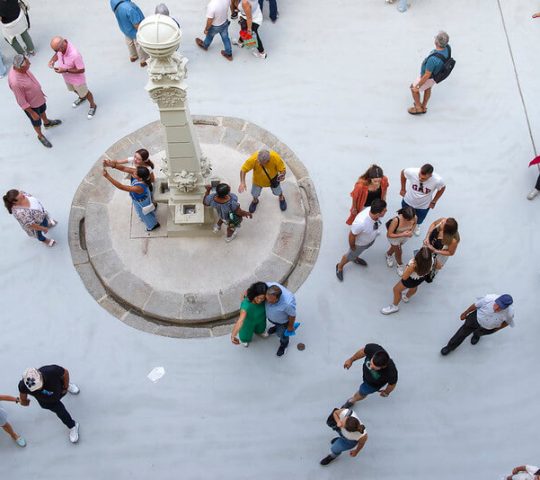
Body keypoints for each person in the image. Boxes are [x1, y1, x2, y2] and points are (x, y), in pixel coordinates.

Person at [8, 54, 62, 148]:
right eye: (27, 64)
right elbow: (21, 101)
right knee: (36, 121)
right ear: (20, 67)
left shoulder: (22, 69)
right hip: (32, 106)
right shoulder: (15, 82)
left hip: (38, 98)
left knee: (43, 110)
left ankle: (47, 123)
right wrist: (32, 113)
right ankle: (40, 136)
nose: (30, 64)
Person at [18, 366, 80, 444]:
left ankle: (69, 386)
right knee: (61, 412)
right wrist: (24, 401)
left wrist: (65, 387)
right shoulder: (23, 385)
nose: (39, 389)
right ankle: (72, 426)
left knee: (62, 382)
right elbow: (23, 395)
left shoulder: (51, 371)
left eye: (39, 385)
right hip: (48, 402)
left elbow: (65, 373)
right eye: (35, 388)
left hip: (60, 389)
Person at [440, 294, 514, 356]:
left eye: (500, 307)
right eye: (496, 304)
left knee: (480, 333)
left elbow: (507, 322)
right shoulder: (488, 299)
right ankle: (450, 346)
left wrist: (497, 328)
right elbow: (475, 305)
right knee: (462, 333)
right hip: (474, 320)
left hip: (488, 328)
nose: (496, 308)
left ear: (506, 307)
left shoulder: (509, 313)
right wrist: (465, 312)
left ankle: (476, 335)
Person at [336, 199, 387, 281]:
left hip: (368, 241)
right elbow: (352, 234)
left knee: (356, 254)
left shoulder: (373, 211)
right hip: (359, 244)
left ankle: (355, 257)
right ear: (378, 213)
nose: (386, 211)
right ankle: (340, 266)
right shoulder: (361, 223)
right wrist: (352, 247)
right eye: (384, 210)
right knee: (349, 255)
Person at [48, 36, 97, 119]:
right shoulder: (61, 49)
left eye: (56, 50)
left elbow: (81, 70)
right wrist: (52, 61)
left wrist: (65, 70)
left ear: (61, 46)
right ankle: (82, 97)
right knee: (73, 90)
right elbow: (57, 54)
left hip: (77, 80)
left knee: (85, 92)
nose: (56, 52)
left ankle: (93, 105)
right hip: (67, 77)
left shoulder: (75, 54)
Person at [102, 165, 160, 232]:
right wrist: (113, 165)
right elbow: (124, 168)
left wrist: (107, 176)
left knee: (145, 214)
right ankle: (152, 210)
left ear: (140, 178)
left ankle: (153, 225)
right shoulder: (140, 174)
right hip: (138, 199)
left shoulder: (139, 188)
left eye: (135, 173)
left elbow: (122, 187)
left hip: (142, 201)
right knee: (144, 211)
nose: (133, 172)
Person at [342, 343, 398, 408]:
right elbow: (363, 351)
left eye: (374, 368)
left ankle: (353, 400)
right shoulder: (373, 348)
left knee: (362, 392)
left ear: (383, 366)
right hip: (366, 375)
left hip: (372, 385)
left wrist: (386, 392)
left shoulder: (391, 372)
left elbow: (392, 384)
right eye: (370, 363)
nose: (370, 367)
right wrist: (351, 360)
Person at [381, 247, 433, 315]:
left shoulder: (413, 265)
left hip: (410, 280)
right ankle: (406, 297)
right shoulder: (432, 260)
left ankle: (394, 306)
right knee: (414, 286)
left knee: (396, 290)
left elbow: (404, 277)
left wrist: (407, 267)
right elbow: (438, 266)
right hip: (421, 278)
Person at [408, 31, 451, 114]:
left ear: (436, 42)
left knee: (413, 89)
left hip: (428, 78)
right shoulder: (447, 48)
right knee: (428, 88)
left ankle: (418, 107)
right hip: (435, 77)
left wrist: (417, 86)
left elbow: (426, 75)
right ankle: (423, 106)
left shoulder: (433, 60)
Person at [400, 164, 445, 236]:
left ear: (430, 175)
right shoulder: (412, 172)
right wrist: (403, 188)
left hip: (423, 206)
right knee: (405, 215)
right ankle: (404, 225)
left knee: (419, 219)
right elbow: (403, 173)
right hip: (408, 201)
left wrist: (434, 201)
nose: (420, 179)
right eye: (419, 176)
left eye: (423, 178)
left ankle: (416, 226)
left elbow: (442, 188)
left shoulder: (437, 180)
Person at [110, 0, 148, 67]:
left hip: (124, 27)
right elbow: (136, 23)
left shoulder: (113, 1)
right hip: (134, 30)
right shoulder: (130, 8)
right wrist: (142, 31)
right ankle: (143, 60)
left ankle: (133, 56)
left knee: (129, 41)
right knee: (139, 44)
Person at [231, 281, 268, 347]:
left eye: (262, 298)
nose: (259, 300)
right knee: (245, 336)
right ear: (254, 294)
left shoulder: (266, 296)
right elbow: (240, 321)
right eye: (257, 297)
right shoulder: (246, 305)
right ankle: (244, 340)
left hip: (261, 319)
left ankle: (259, 332)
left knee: (261, 328)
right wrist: (233, 335)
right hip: (248, 322)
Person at [264, 282, 297, 357]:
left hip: (283, 323)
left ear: (278, 298)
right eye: (267, 299)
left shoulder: (287, 304)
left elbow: (292, 315)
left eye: (271, 301)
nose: (268, 302)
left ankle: (284, 345)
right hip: (273, 319)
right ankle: (276, 327)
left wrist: (290, 326)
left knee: (282, 334)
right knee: (276, 325)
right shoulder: (267, 290)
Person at [385, 206, 417, 276]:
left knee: (395, 248)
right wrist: (402, 234)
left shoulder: (414, 217)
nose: (410, 221)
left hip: (404, 237)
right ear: (403, 215)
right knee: (399, 252)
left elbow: (414, 224)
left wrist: (411, 231)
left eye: (411, 219)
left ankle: (388, 254)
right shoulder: (396, 220)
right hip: (395, 238)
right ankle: (400, 264)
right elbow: (389, 234)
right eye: (407, 219)